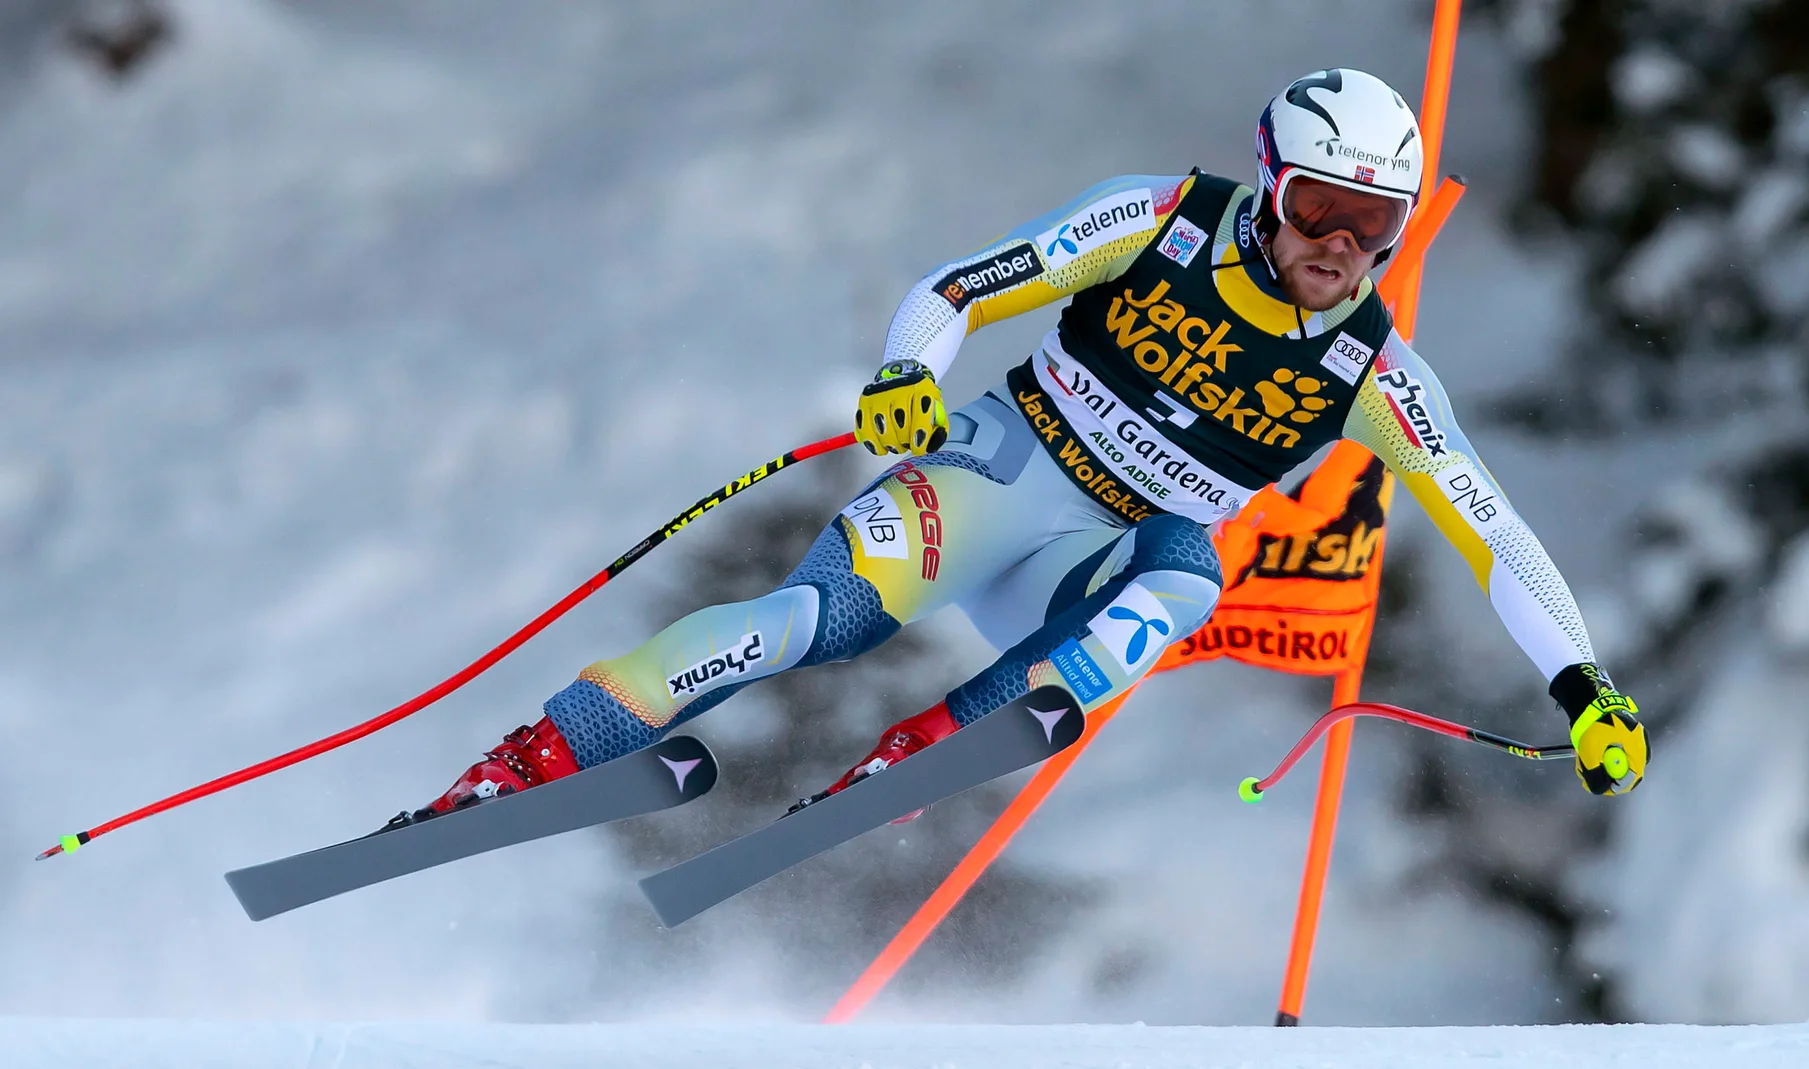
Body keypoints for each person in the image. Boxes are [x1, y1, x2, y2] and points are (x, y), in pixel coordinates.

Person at [401, 67, 1647, 826]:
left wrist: (1582, 684)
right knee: (802, 623)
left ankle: (918, 759)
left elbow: (1490, 526)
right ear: (1269, 186)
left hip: (1095, 570)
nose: (1340, 244)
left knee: (1181, 579)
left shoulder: (1373, 367)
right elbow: (963, 288)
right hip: (1001, 477)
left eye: (1373, 224)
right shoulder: (1158, 219)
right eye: (1318, 206)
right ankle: (536, 757)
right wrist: (905, 374)